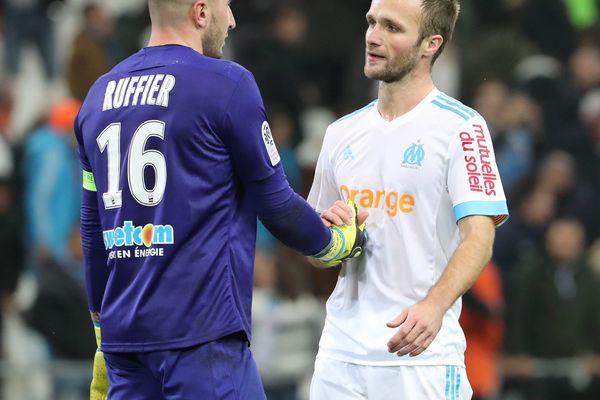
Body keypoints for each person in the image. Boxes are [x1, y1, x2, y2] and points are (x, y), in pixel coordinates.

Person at [74, 1, 365, 399]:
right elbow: (277, 205)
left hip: (125, 348)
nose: (232, 20)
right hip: (201, 341)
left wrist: (100, 338)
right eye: (226, 6)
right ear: (200, 11)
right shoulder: (226, 84)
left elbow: (93, 233)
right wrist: (336, 243)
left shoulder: (96, 98)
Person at [307, 0, 508, 398]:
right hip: (340, 358)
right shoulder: (341, 133)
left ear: (431, 43)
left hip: (422, 359)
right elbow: (316, 249)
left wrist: (434, 307)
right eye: (371, 22)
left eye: (392, 28)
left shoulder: (462, 128)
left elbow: (479, 239)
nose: (373, 37)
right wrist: (332, 238)